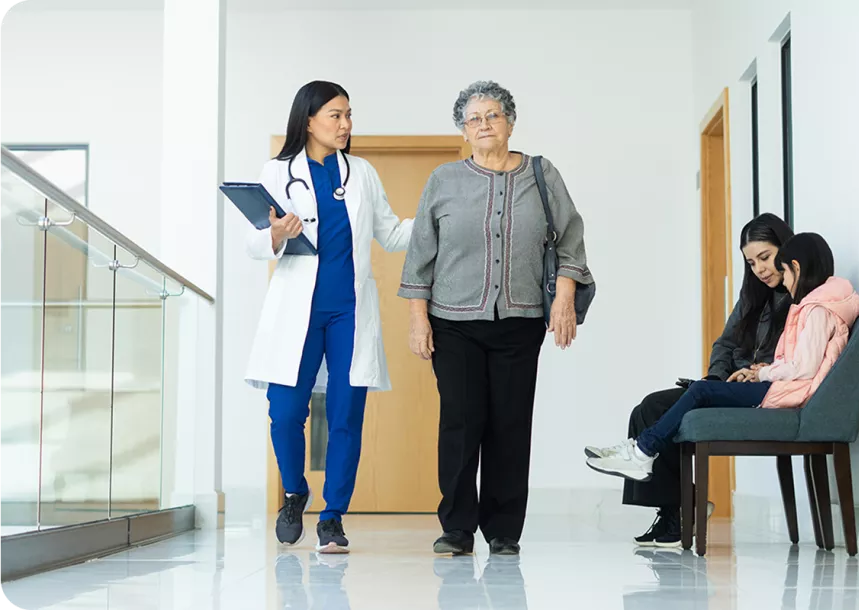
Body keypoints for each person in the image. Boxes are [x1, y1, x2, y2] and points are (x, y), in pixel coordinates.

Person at [398, 80, 593, 557]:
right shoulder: (444, 180)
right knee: (461, 424)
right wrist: (418, 319)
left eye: (493, 115)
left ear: (510, 121)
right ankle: (458, 528)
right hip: (453, 321)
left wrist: (564, 297)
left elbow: (569, 239)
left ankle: (504, 530)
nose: (484, 124)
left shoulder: (542, 175)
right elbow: (421, 253)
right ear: (463, 131)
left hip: (521, 319)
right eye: (474, 118)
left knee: (510, 425)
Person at [245, 80, 413, 554]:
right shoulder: (278, 172)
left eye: (349, 115)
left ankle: (333, 517)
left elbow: (393, 234)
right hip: (297, 312)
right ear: (309, 119)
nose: (346, 124)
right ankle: (295, 492)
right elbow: (255, 243)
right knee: (285, 413)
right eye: (336, 115)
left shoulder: (361, 173)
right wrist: (275, 234)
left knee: (344, 417)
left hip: (349, 312)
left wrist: (440, 219)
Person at [583, 213, 793, 547]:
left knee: (659, 409)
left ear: (786, 249)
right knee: (648, 407)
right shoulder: (753, 297)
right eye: (751, 262)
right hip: (732, 385)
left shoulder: (800, 299)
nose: (760, 269)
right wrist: (717, 378)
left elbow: (790, 358)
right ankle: (677, 511)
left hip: (765, 389)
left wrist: (755, 369)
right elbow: (725, 343)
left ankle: (677, 506)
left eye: (765, 258)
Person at [585, 232, 859, 484]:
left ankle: (642, 451)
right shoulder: (818, 306)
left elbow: (804, 367)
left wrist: (762, 374)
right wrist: (764, 370)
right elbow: (747, 348)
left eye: (779, 268)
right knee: (697, 390)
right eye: (752, 263)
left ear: (796, 268)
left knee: (702, 390)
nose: (769, 273)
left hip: (785, 391)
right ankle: (640, 451)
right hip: (783, 386)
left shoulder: (816, 310)